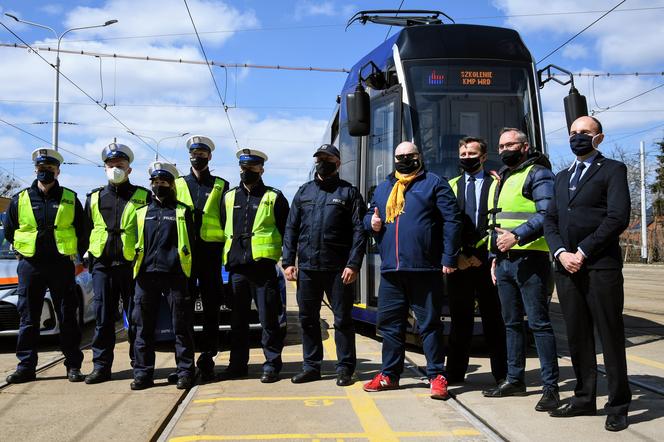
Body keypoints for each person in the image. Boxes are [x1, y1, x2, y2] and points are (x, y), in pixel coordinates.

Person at [544, 116, 631, 431]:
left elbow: (618, 217)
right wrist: (560, 253)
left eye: (584, 133)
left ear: (599, 138)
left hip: (599, 267)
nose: (577, 137)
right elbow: (550, 219)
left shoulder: (612, 170)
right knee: (578, 336)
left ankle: (618, 404)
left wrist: (582, 251)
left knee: (610, 335)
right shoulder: (561, 176)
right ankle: (583, 398)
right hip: (566, 268)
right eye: (572, 133)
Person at [362, 141, 462, 400]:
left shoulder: (434, 183)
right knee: (391, 326)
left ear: (419, 157)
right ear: (393, 159)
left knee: (429, 325)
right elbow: (367, 214)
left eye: (410, 155)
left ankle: (436, 375)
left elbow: (452, 220)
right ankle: (389, 375)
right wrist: (369, 222)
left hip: (424, 268)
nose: (405, 160)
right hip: (391, 270)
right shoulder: (384, 188)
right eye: (400, 156)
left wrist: (449, 256)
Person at [481, 128, 560, 412]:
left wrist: (517, 236)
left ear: (525, 147)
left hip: (531, 260)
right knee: (511, 323)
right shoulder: (503, 177)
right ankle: (515, 379)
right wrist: (493, 256)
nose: (504, 150)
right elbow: (497, 221)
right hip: (503, 262)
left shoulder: (538, 174)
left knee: (539, 324)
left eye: (510, 144)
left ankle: (551, 388)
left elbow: (548, 213)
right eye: (501, 146)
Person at [283, 144, 366, 386]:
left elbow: (359, 232)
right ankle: (311, 366)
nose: (321, 162)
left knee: (342, 320)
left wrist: (354, 264)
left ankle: (345, 368)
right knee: (308, 319)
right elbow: (291, 229)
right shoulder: (304, 192)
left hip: (339, 269)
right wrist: (288, 261)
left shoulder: (349, 193)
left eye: (327, 159)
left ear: (337, 163)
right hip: (308, 268)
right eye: (319, 159)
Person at [4, 148, 89, 384]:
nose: (45, 173)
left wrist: (75, 255)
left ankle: (73, 365)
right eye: (41, 169)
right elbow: (10, 231)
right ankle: (26, 366)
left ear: (58, 171)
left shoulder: (71, 198)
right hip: (31, 265)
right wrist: (25, 250)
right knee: (28, 318)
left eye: (49, 169)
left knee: (67, 316)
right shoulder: (19, 199)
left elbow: (82, 232)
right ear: (35, 170)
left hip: (61, 264)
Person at [220, 149, 289, 384]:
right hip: (237, 268)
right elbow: (223, 226)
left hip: (262, 268)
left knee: (268, 319)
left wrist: (287, 262)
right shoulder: (229, 197)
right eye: (243, 168)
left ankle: (271, 364)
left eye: (251, 168)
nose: (246, 172)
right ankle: (237, 365)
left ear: (261, 169)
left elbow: (286, 230)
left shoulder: (274, 197)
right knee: (237, 321)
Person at [84, 143, 149, 384]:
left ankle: (140, 366)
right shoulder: (93, 198)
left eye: (120, 166)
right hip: (102, 265)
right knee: (102, 320)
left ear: (129, 170)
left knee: (136, 319)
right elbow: (85, 231)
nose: (115, 169)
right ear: (104, 168)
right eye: (110, 166)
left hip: (132, 265)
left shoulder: (143, 196)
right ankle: (101, 367)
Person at [445, 137, 507, 385]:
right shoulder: (451, 185)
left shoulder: (497, 183)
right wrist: (458, 256)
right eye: (463, 152)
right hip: (460, 262)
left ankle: (502, 374)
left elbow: (500, 220)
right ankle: (455, 373)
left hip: (488, 263)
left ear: (483, 157)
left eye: (472, 153)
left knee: (494, 320)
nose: (467, 157)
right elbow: (447, 224)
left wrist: (486, 256)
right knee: (460, 321)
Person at [131, 161, 196, 390]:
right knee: (143, 327)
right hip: (146, 275)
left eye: (164, 182)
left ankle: (186, 371)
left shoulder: (182, 211)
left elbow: (191, 243)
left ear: (171, 185)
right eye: (156, 182)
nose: (159, 186)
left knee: (181, 326)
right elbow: (131, 241)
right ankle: (143, 374)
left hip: (175, 275)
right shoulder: (140, 212)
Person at [174, 135, 229, 382]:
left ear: (210, 157)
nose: (198, 157)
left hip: (211, 255)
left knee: (211, 312)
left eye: (203, 154)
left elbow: (228, 221)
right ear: (190, 156)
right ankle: (184, 363)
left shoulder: (221, 185)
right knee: (183, 312)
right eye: (194, 153)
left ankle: (207, 359)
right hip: (185, 256)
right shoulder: (177, 184)